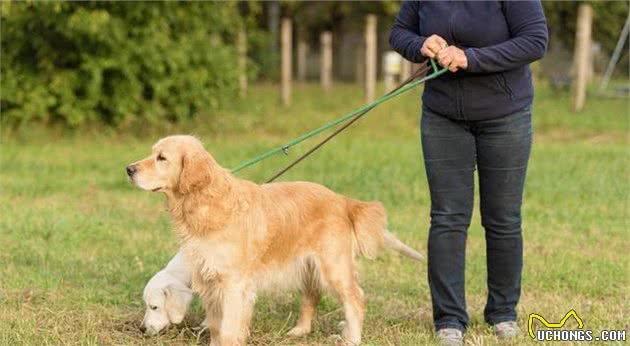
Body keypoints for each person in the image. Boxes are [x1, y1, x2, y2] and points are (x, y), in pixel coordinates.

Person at [389, 2, 548, 345]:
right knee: (447, 217)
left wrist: (470, 58)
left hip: (506, 115)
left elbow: (535, 40)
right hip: (442, 115)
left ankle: (503, 313)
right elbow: (399, 33)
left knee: (503, 219)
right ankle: (449, 319)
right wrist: (420, 45)